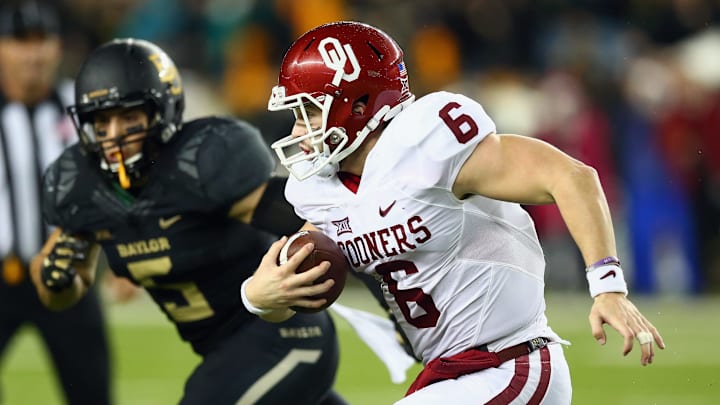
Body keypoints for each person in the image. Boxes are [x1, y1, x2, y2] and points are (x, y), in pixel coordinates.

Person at [243, 21, 666, 404]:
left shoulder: (426, 146)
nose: (299, 131)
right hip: (449, 377)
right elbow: (307, 277)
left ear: (358, 106)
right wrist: (260, 299)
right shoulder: (320, 193)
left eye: (310, 112)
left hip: (510, 365)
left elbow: (572, 176)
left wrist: (608, 286)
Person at [30, 37, 347, 405]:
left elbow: (315, 221)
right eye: (102, 121)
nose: (114, 134)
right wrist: (57, 278)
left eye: (128, 116)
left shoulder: (199, 165)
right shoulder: (82, 187)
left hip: (285, 336)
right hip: (225, 353)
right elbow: (61, 290)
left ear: (160, 111)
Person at [0, 1, 112, 404]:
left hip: (70, 271)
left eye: (41, 41)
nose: (32, 53)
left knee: (91, 393)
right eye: (19, 41)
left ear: (57, 47)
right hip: (1, 276)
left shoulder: (85, 108)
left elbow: (114, 184)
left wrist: (122, 256)